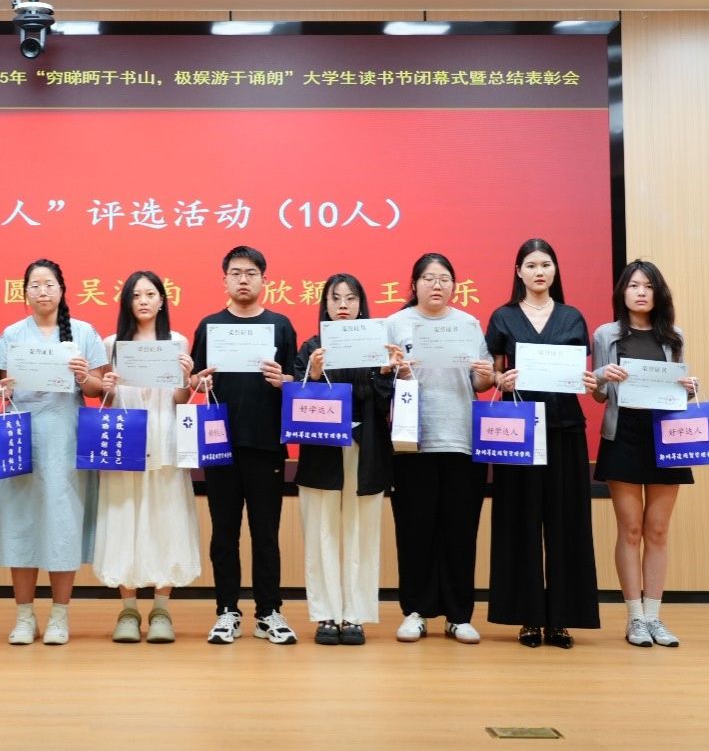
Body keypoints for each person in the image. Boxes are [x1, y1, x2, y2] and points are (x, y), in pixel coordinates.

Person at [0, 258, 107, 645]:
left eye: (49, 285)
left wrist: (83, 375)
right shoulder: (12, 335)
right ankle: (24, 616)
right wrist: (5, 388)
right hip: (22, 436)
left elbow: (99, 389)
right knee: (22, 521)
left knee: (63, 522)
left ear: (62, 290)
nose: (42, 291)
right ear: (25, 292)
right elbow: (2, 387)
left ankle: (60, 616)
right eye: (35, 285)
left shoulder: (83, 332)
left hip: (65, 437)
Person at [485, 239, 600, 649]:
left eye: (546, 264)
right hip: (519, 432)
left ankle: (562, 619)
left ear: (555, 271)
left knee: (566, 522)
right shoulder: (503, 316)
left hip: (565, 429)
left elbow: (580, 375)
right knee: (519, 522)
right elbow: (493, 375)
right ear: (519, 271)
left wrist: (590, 383)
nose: (539, 271)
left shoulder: (572, 316)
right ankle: (528, 618)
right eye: (531, 265)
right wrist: (501, 380)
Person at [190, 245, 299, 645]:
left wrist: (284, 381)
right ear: (225, 280)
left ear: (264, 280)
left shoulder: (281, 325)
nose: (243, 279)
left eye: (251, 273)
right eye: (236, 273)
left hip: (266, 444)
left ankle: (269, 612)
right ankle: (227, 611)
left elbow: (297, 382)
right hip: (220, 444)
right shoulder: (209, 326)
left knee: (266, 533)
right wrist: (197, 380)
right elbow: (195, 381)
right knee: (224, 534)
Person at [385, 252, 496, 645]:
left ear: (454, 286)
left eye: (445, 278)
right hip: (411, 441)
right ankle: (415, 611)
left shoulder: (468, 324)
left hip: (461, 438)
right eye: (429, 278)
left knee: (460, 530)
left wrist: (487, 375)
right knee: (414, 529)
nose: (437, 285)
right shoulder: (395, 323)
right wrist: (395, 371)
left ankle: (458, 615)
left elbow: (480, 383)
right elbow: (379, 381)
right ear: (414, 284)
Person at [591, 259, 697, 648]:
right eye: (634, 285)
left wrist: (689, 387)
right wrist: (602, 376)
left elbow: (679, 391)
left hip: (665, 435)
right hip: (624, 433)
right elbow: (598, 394)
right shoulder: (606, 334)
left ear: (658, 293)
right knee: (631, 529)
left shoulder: (673, 335)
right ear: (622, 292)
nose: (640, 292)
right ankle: (635, 618)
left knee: (658, 530)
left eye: (648, 286)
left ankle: (654, 617)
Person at [294, 273, 403, 646]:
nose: (343, 304)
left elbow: (385, 404)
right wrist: (313, 374)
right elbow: (297, 402)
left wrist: (386, 372)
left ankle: (354, 615)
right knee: (321, 532)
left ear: (361, 304)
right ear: (324, 304)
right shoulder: (312, 346)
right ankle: (326, 615)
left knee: (362, 533)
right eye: (335, 298)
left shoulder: (377, 346)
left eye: (351, 298)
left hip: (366, 448)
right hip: (322, 451)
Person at [95, 270, 200, 644]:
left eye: (150, 294)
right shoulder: (111, 344)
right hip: (125, 440)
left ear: (162, 300)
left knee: (165, 521)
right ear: (126, 301)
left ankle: (161, 611)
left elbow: (179, 400)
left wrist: (186, 381)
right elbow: (105, 398)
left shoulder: (177, 341)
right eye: (136, 295)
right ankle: (127, 611)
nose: (143, 300)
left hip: (164, 438)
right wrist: (107, 386)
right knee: (124, 521)